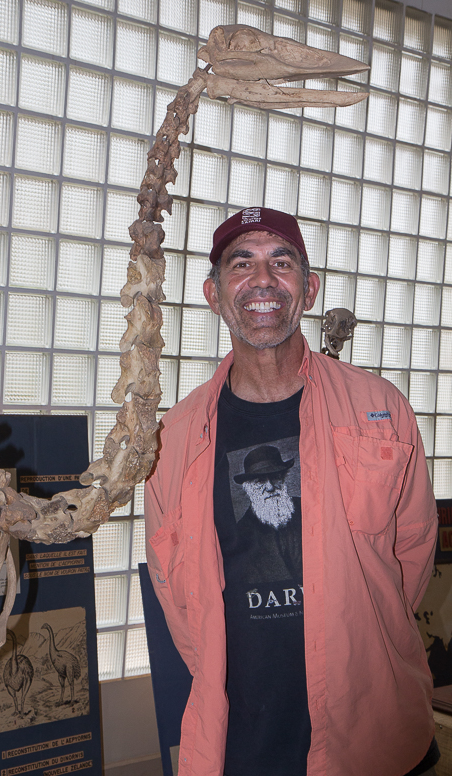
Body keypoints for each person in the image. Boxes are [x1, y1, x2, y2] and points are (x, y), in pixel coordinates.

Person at [145, 207, 439, 776]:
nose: (262, 280)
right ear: (213, 293)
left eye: (282, 263)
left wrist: (362, 633)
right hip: (242, 736)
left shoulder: (379, 409)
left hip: (371, 727)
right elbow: (173, 588)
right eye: (241, 263)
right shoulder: (175, 438)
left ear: (309, 290)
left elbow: (413, 552)